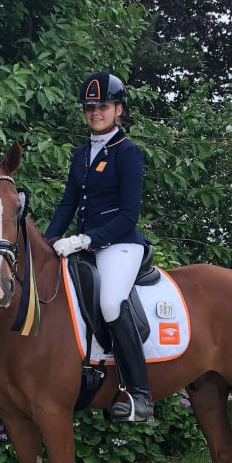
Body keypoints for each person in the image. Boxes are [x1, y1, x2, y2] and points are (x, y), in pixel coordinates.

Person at [45, 71, 153, 423]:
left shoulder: (128, 153)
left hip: (120, 244)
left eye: (103, 106)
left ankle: (140, 395)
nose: (95, 113)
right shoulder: (80, 154)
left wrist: (88, 239)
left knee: (110, 302)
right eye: (90, 107)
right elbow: (67, 204)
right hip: (84, 245)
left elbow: (129, 214)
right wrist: (47, 242)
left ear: (118, 110)